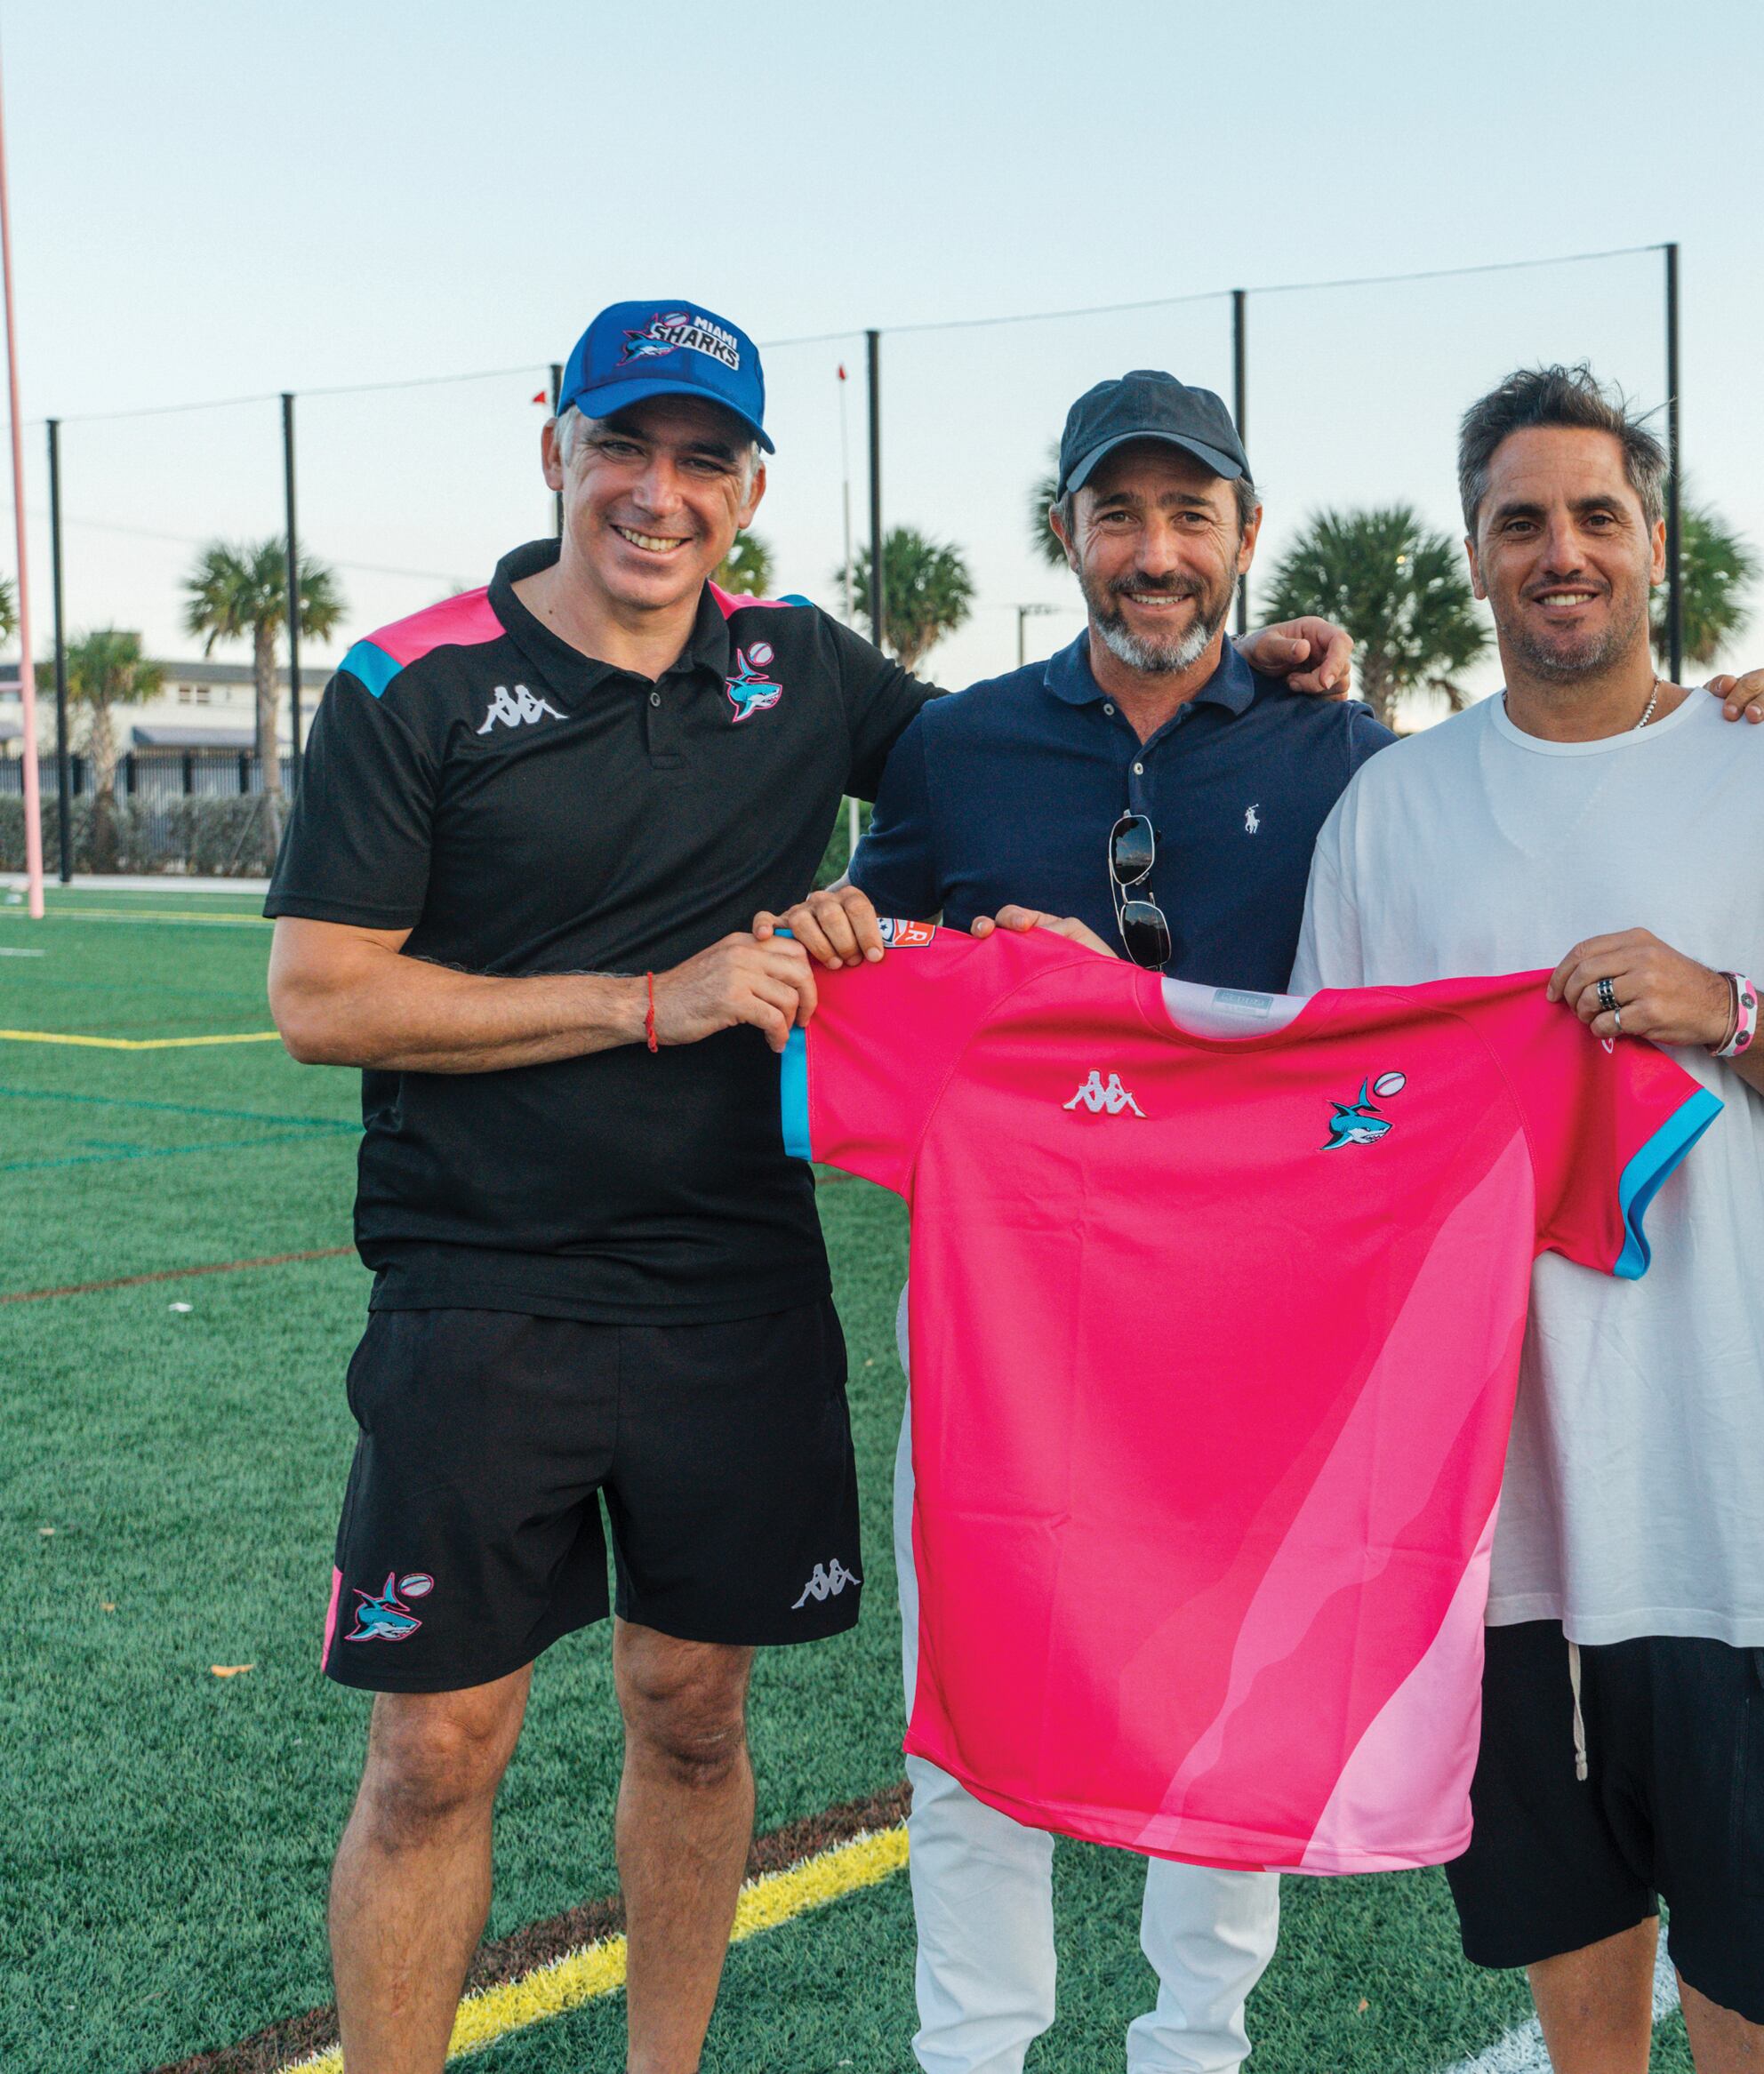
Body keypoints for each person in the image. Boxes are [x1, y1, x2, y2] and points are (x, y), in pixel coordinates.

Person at [265, 307, 1352, 2074]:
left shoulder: (808, 671)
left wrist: (1266, 665)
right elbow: (319, 995)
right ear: (555, 445)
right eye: (627, 447)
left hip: (734, 1297)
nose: (659, 494)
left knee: (693, 1720)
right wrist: (647, 1001)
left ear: (753, 486)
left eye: (705, 461)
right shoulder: (414, 681)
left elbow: (1059, 749)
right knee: (435, 1753)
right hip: (482, 1293)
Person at [775, 369, 1764, 2074]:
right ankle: (971, 2054)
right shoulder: (961, 748)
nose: (1157, 553)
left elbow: (1518, 850)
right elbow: (869, 950)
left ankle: (1197, 2047)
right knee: (968, 1698)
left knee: (1224, 1695)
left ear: (1249, 540)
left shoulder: (1346, 753)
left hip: (1260, 1329)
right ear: (1068, 538)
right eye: (1122, 516)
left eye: (1194, 518)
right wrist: (847, 938)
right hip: (1010, 1323)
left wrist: (1717, 714)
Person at [1290, 364, 1764, 2074]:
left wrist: (1716, 1002)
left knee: (1753, 2011)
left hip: (1748, 1517)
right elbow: (1324, 1144)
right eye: (1520, 522)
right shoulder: (1388, 815)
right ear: (1475, 558)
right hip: (1506, 1532)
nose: (1560, 551)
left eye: (1595, 517)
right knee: (1581, 2019)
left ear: (1656, 546)